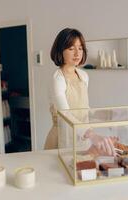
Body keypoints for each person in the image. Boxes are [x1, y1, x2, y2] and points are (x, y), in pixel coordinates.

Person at [44, 28, 117, 156]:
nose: (77, 53)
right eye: (71, 49)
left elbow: (83, 108)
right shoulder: (58, 79)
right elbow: (65, 114)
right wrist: (92, 135)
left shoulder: (83, 76)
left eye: (80, 48)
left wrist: (106, 115)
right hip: (63, 138)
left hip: (83, 136)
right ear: (60, 51)